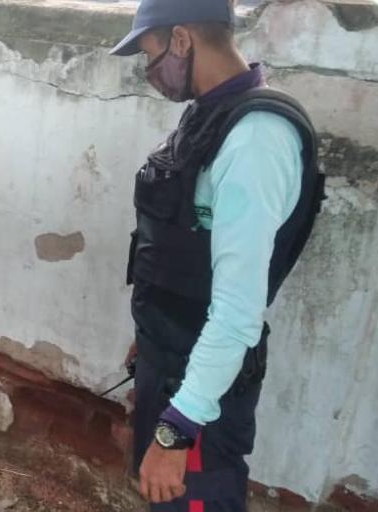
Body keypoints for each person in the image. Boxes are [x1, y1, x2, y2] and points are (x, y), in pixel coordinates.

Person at [110, 0, 325, 509]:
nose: (149, 71)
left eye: (150, 53)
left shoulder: (255, 141)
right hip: (172, 361)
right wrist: (150, 337)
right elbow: (183, 250)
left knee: (191, 499)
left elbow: (236, 311)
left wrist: (176, 431)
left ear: (181, 40)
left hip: (200, 397)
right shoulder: (210, 116)